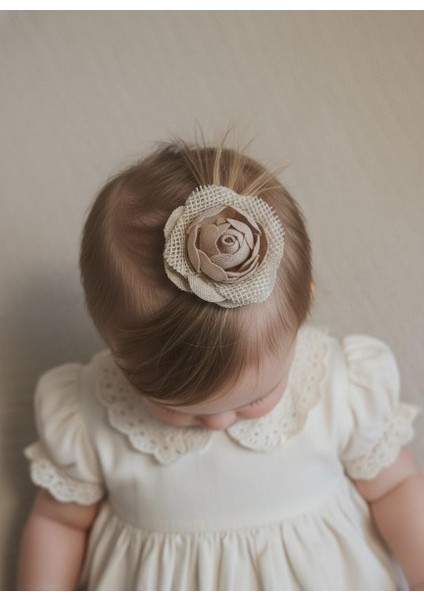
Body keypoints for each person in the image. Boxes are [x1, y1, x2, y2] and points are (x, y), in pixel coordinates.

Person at [18, 137, 424, 591]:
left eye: (256, 398)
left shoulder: (339, 388)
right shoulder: (92, 413)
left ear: (303, 309)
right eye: (174, 406)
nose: (217, 423)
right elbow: (60, 522)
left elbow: (394, 487)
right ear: (112, 346)